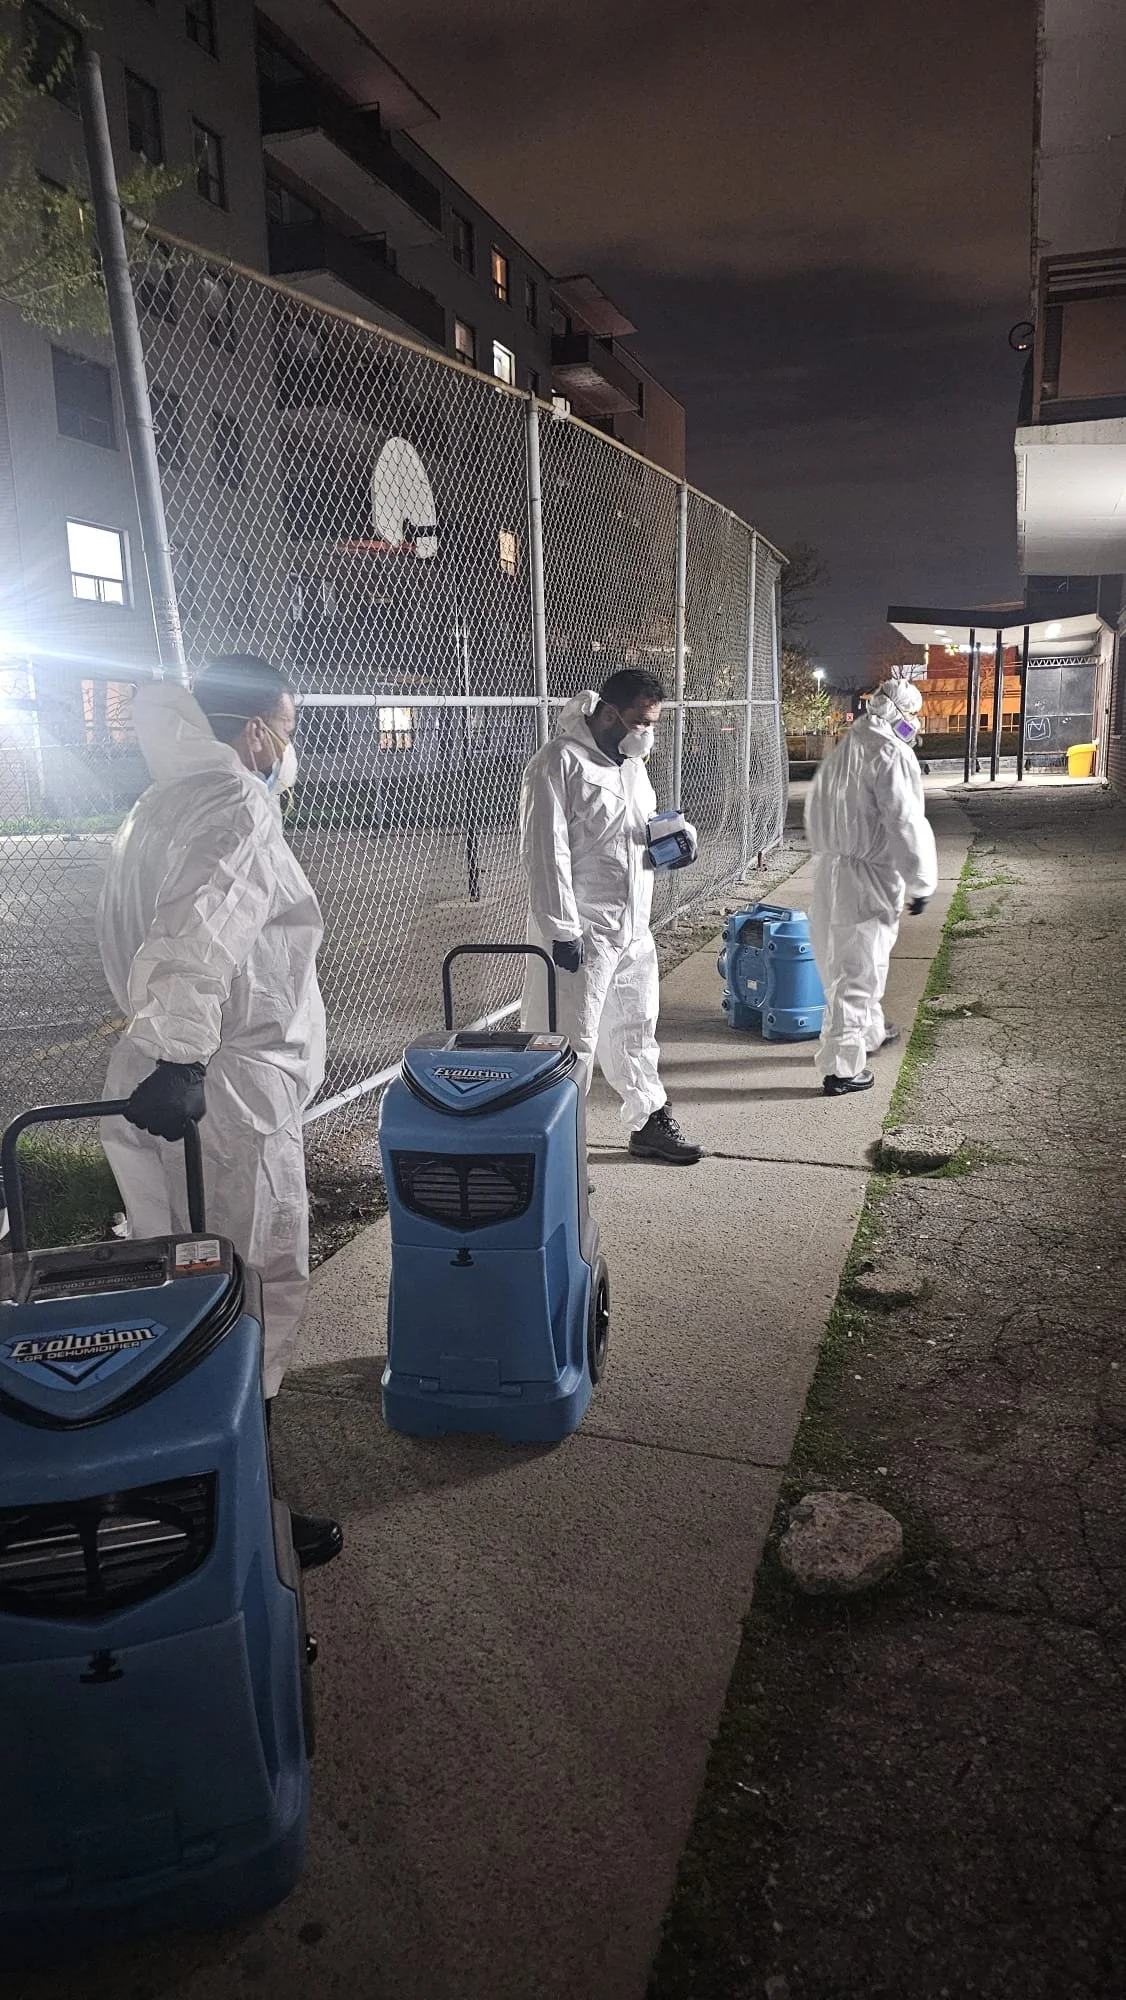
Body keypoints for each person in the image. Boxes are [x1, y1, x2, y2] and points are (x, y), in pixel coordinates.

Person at [97, 655, 341, 1570]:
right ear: (252, 731)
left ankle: (171, 1493)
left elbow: (150, 932)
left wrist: (164, 1048)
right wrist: (181, 1049)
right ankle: (238, 1517)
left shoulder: (156, 804)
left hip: (173, 1081)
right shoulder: (236, 804)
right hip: (222, 1098)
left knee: (175, 1293)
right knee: (249, 1299)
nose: (289, 747)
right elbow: (200, 929)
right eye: (287, 727)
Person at [518, 668, 701, 1165]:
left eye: (653, 723)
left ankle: (648, 1120)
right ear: (609, 713)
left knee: (637, 1028)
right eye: (641, 721)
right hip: (582, 931)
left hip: (632, 927)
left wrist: (675, 844)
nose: (647, 732)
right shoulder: (557, 764)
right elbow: (545, 853)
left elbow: (638, 830)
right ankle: (557, 1153)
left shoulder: (629, 764)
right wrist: (561, 929)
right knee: (568, 1040)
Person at [806, 677, 938, 1096]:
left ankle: (868, 1032)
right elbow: (904, 821)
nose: (916, 724)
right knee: (859, 968)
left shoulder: (852, 744)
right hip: (868, 874)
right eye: (914, 715)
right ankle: (844, 1068)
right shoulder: (889, 751)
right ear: (902, 714)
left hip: (833, 868)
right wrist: (921, 880)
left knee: (842, 960)